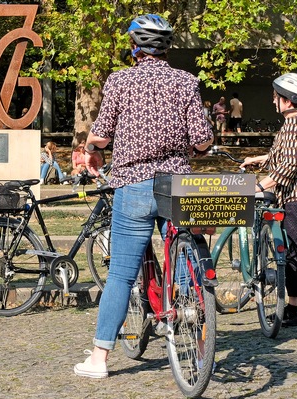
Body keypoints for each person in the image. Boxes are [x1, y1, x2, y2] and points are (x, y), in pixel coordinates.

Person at [74, 14, 212, 378]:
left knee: (120, 273)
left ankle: (99, 359)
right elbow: (201, 139)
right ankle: (195, 323)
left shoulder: (120, 80)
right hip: (177, 183)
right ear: (167, 47)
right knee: (185, 251)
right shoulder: (186, 82)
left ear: (134, 46)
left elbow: (102, 134)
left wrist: (90, 146)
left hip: (133, 182)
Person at [240, 72, 297, 329]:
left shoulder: (294, 125)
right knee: (291, 254)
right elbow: (285, 153)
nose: (273, 101)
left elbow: (288, 166)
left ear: (287, 100)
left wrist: (258, 187)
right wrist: (259, 160)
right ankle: (293, 307)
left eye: (275, 97)